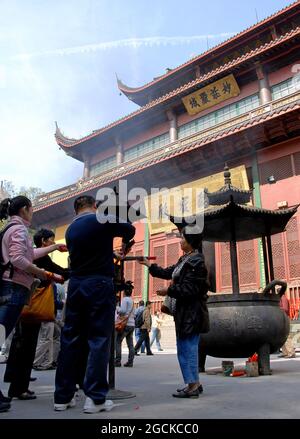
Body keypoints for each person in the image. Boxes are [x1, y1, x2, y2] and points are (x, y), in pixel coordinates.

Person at [54, 195, 135, 414]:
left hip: (77, 285)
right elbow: (129, 230)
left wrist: (109, 253)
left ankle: (63, 396)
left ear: (76, 210)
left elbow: (89, 252)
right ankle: (95, 398)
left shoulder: (70, 230)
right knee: (98, 338)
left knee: (70, 339)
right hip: (98, 284)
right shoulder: (100, 219)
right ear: (95, 206)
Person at [0, 196, 62, 411]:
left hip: (11, 288)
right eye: (31, 209)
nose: (33, 212)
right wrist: (42, 273)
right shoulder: (18, 230)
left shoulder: (12, 228)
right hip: (13, 289)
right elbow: (18, 259)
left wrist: (53, 248)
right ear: (25, 209)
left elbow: (28, 253)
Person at [139, 225, 209, 398]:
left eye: (183, 238)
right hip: (184, 313)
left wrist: (168, 291)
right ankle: (194, 383)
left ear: (190, 241)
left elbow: (191, 289)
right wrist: (150, 265)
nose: (180, 241)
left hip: (191, 313)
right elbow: (167, 272)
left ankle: (192, 386)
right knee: (185, 349)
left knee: (188, 349)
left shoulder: (196, 261)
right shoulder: (185, 259)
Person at [4, 228, 68, 399]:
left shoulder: (31, 254)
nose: (54, 243)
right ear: (44, 242)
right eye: (52, 241)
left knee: (20, 343)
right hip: (32, 305)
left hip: (23, 304)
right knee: (27, 346)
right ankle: (19, 388)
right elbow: (62, 273)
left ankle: (14, 381)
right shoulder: (41, 257)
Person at [115, 287, 135, 367]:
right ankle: (130, 362)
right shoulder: (132, 301)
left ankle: (118, 361)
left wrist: (117, 308)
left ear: (124, 292)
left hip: (125, 324)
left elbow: (122, 311)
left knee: (118, 341)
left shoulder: (125, 300)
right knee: (130, 344)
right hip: (132, 324)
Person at [279, 294, 296, 358]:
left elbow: (285, 309)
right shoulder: (281, 298)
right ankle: (285, 352)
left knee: (286, 336)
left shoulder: (283, 298)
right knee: (282, 336)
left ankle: (291, 352)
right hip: (281, 318)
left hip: (285, 318)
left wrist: (277, 308)